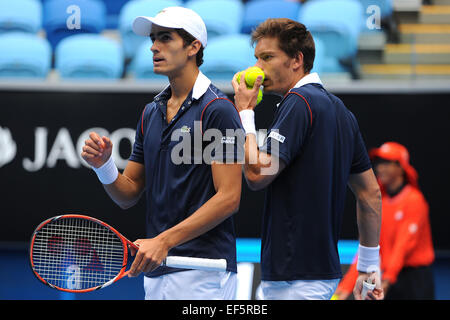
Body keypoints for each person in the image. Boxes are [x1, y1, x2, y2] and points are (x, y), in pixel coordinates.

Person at [81, 6, 244, 300]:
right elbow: (128, 194)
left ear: (194, 46)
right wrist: (104, 166)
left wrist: (163, 241)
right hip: (157, 272)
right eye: (153, 39)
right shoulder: (150, 112)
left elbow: (229, 198)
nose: (154, 46)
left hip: (204, 272)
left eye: (166, 38)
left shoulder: (219, 110)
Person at [231, 18, 384, 300]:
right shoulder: (342, 113)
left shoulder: (298, 103)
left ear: (296, 60)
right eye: (256, 58)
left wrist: (245, 113)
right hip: (315, 275)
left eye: (267, 57)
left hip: (295, 279)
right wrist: (368, 265)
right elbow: (370, 193)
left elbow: (256, 175)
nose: (257, 68)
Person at [334, 142, 435, 300]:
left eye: (387, 163)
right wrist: (345, 286)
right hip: (387, 277)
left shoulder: (414, 200)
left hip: (413, 281)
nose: (380, 167)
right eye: (379, 163)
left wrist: (387, 280)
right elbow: (368, 247)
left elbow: (403, 245)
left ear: (401, 167)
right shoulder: (379, 203)